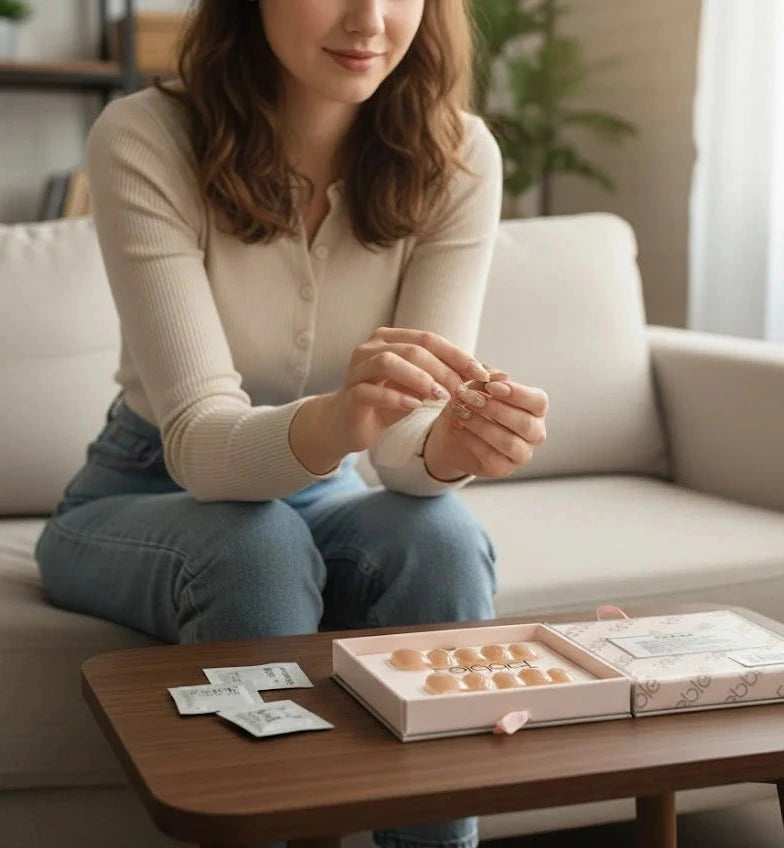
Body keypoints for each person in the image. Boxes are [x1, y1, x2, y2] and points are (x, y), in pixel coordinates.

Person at [35, 2, 548, 846]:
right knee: (256, 548)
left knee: (442, 537)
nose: (370, 20)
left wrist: (446, 445)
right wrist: (342, 418)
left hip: (324, 490)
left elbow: (402, 450)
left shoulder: (457, 155)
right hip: (143, 485)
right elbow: (198, 441)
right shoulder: (145, 136)